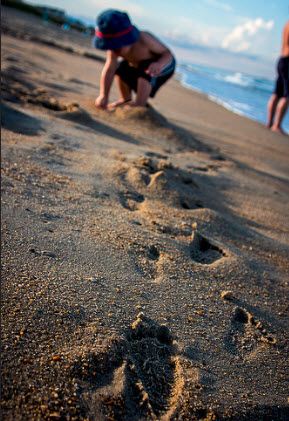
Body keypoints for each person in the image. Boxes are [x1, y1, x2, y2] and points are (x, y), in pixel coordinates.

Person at [93, 9, 176, 109]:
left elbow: (167, 53)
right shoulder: (114, 50)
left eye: (117, 47)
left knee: (146, 68)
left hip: (164, 65)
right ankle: (126, 99)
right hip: (137, 65)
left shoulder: (144, 39)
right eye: (110, 46)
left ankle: (139, 105)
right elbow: (110, 69)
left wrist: (159, 64)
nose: (114, 51)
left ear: (128, 39)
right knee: (120, 68)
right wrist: (104, 95)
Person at [267, 21, 289, 134]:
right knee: (286, 96)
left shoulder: (287, 23)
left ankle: (270, 123)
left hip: (282, 59)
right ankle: (277, 125)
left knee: (277, 92)